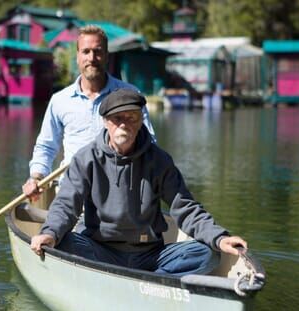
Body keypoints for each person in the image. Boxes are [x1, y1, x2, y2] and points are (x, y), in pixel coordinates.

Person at [31, 89, 247, 276]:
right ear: (106, 122)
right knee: (64, 242)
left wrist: (219, 237)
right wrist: (50, 233)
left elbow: (186, 208)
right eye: (117, 118)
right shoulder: (85, 159)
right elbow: (66, 205)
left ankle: (155, 283)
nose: (124, 124)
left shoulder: (159, 160)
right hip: (100, 250)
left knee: (206, 253)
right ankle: (143, 282)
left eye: (132, 117)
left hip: (150, 256)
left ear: (141, 119)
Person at [22, 25, 156, 201]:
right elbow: (46, 147)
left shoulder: (131, 96)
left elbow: (149, 144)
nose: (92, 58)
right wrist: (36, 178)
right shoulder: (60, 100)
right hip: (73, 194)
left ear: (107, 56)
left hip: (119, 196)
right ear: (77, 57)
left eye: (98, 51)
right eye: (86, 52)